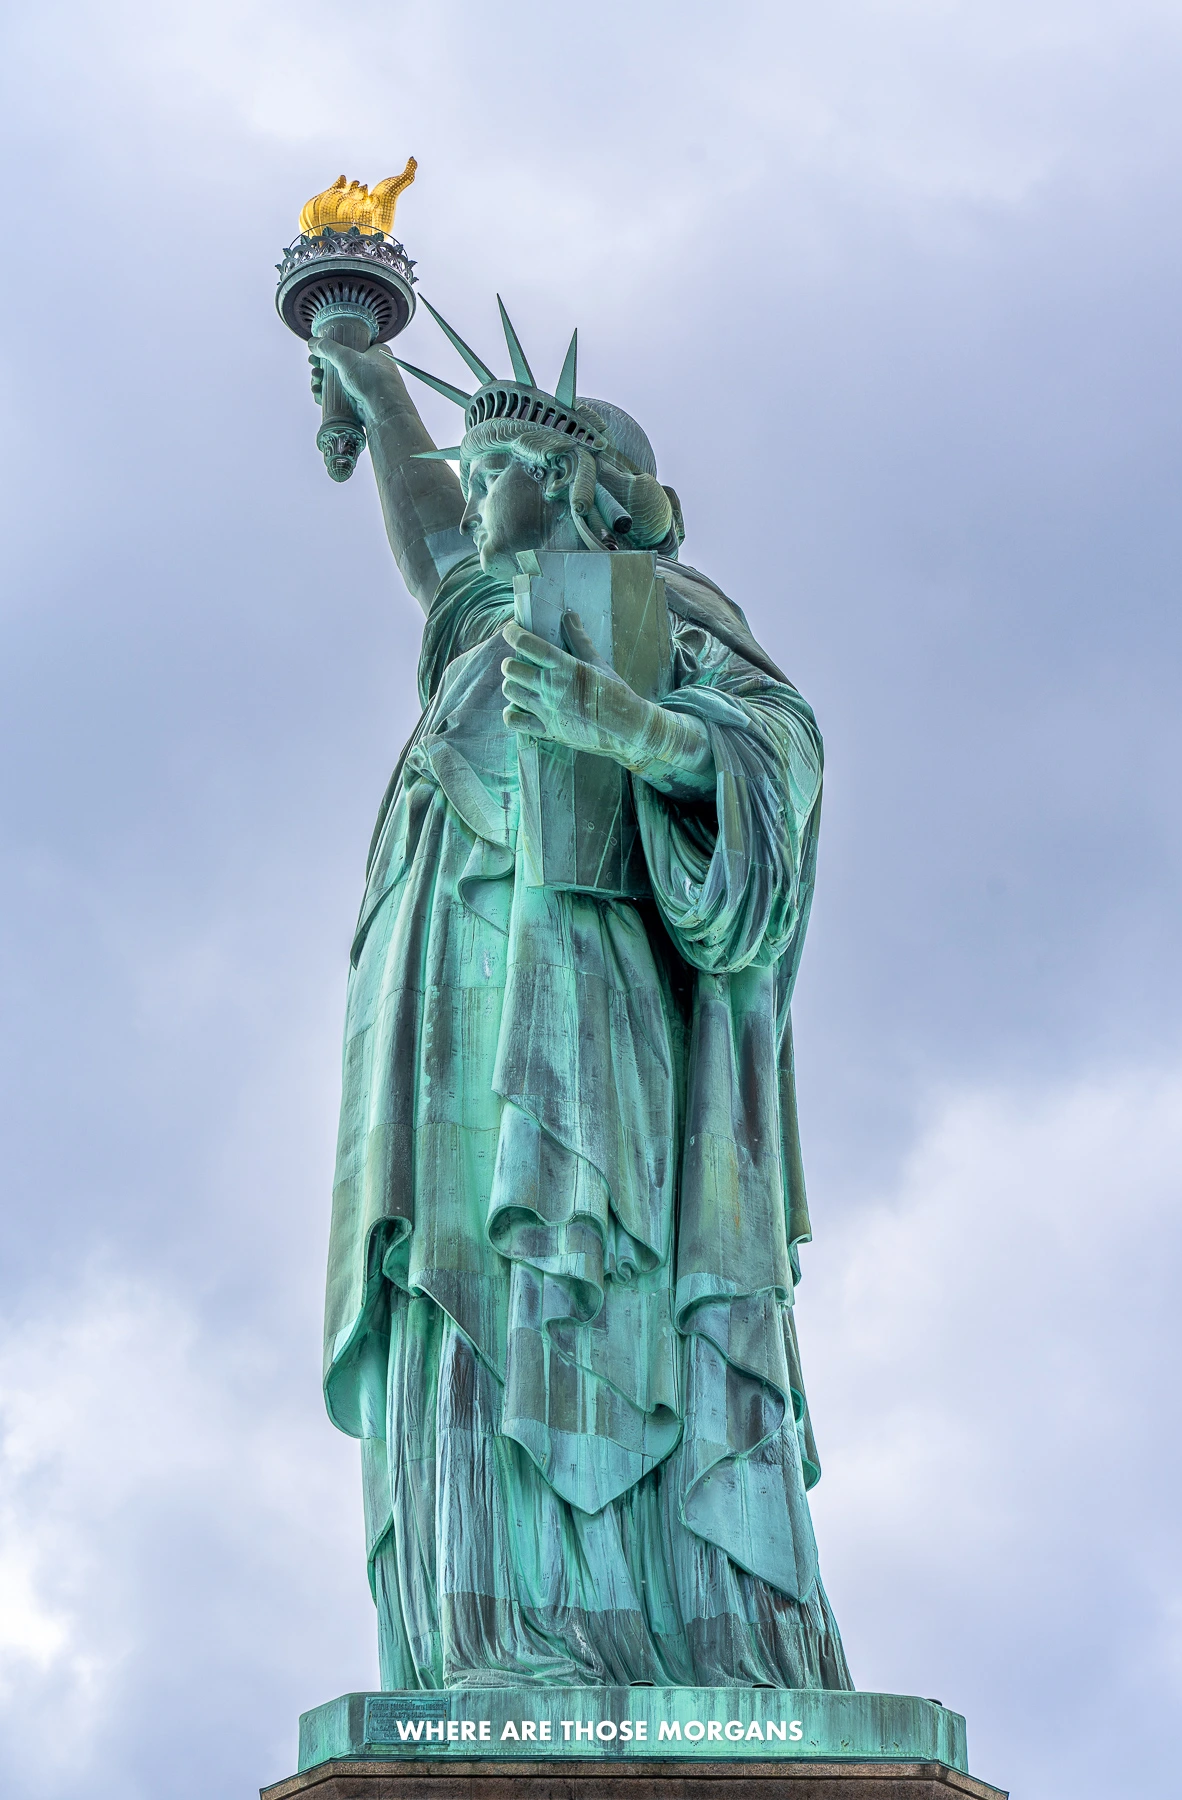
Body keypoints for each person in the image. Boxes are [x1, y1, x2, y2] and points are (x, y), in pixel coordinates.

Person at [309, 299, 852, 1693]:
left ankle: (675, 1636)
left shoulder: (657, 612)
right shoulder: (488, 614)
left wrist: (636, 729)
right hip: (450, 995)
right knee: (467, 1293)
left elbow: (777, 755)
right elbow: (435, 535)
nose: (472, 492)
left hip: (599, 996)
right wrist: (367, 369)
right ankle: (497, 1636)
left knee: (604, 1279)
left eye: (503, 469)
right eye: (475, 466)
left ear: (584, 490)